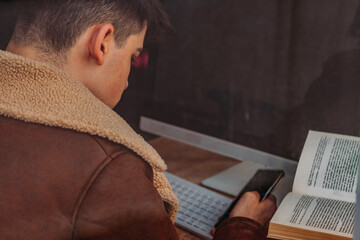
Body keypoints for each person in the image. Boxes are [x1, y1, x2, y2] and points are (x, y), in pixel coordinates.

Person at [0, 0, 276, 239]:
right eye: (133, 56)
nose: (129, 81)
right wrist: (243, 227)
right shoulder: (112, 167)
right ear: (103, 42)